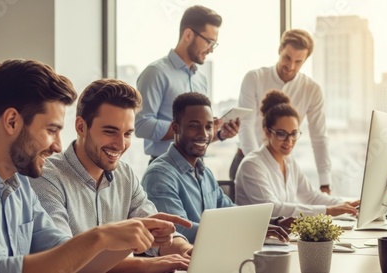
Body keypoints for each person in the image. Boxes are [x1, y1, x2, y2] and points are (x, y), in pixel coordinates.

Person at [0, 59, 189, 273]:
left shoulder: (19, 184)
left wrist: (133, 237)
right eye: (51, 130)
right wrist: (103, 236)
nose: (57, 145)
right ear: (12, 121)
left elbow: (70, 261)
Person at [30, 78, 193, 273]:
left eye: (127, 134)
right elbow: (64, 260)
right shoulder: (46, 178)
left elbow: (155, 231)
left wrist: (186, 251)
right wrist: (145, 265)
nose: (120, 144)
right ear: (81, 127)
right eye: (110, 131)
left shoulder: (125, 175)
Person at [141, 92, 291, 244]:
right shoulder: (159, 175)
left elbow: (228, 210)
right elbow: (179, 230)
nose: (203, 134)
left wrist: (274, 222)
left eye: (208, 127)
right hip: (181, 263)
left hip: (214, 253)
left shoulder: (205, 173)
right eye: (194, 126)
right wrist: (252, 230)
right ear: (175, 128)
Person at [232, 29, 332, 194]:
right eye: (287, 57)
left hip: (281, 164)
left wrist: (325, 183)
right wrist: (257, 163)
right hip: (247, 159)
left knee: (282, 215)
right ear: (279, 50)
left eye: (298, 61)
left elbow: (319, 137)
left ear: (305, 60)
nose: (290, 66)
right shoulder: (254, 78)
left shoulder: (312, 90)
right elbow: (246, 125)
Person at [135, 5, 239, 163]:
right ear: (189, 34)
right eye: (209, 42)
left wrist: (219, 133)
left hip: (196, 167)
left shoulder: (201, 80)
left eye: (214, 44)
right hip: (165, 166)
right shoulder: (156, 72)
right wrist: (187, 128)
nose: (211, 50)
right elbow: (141, 125)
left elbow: (197, 138)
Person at [235, 90, 359, 217]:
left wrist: (347, 205)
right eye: (282, 134)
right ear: (267, 132)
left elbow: (312, 197)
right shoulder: (252, 165)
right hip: (258, 234)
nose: (289, 141)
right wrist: (329, 211)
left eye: (294, 133)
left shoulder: (289, 161)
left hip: (284, 234)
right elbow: (272, 209)